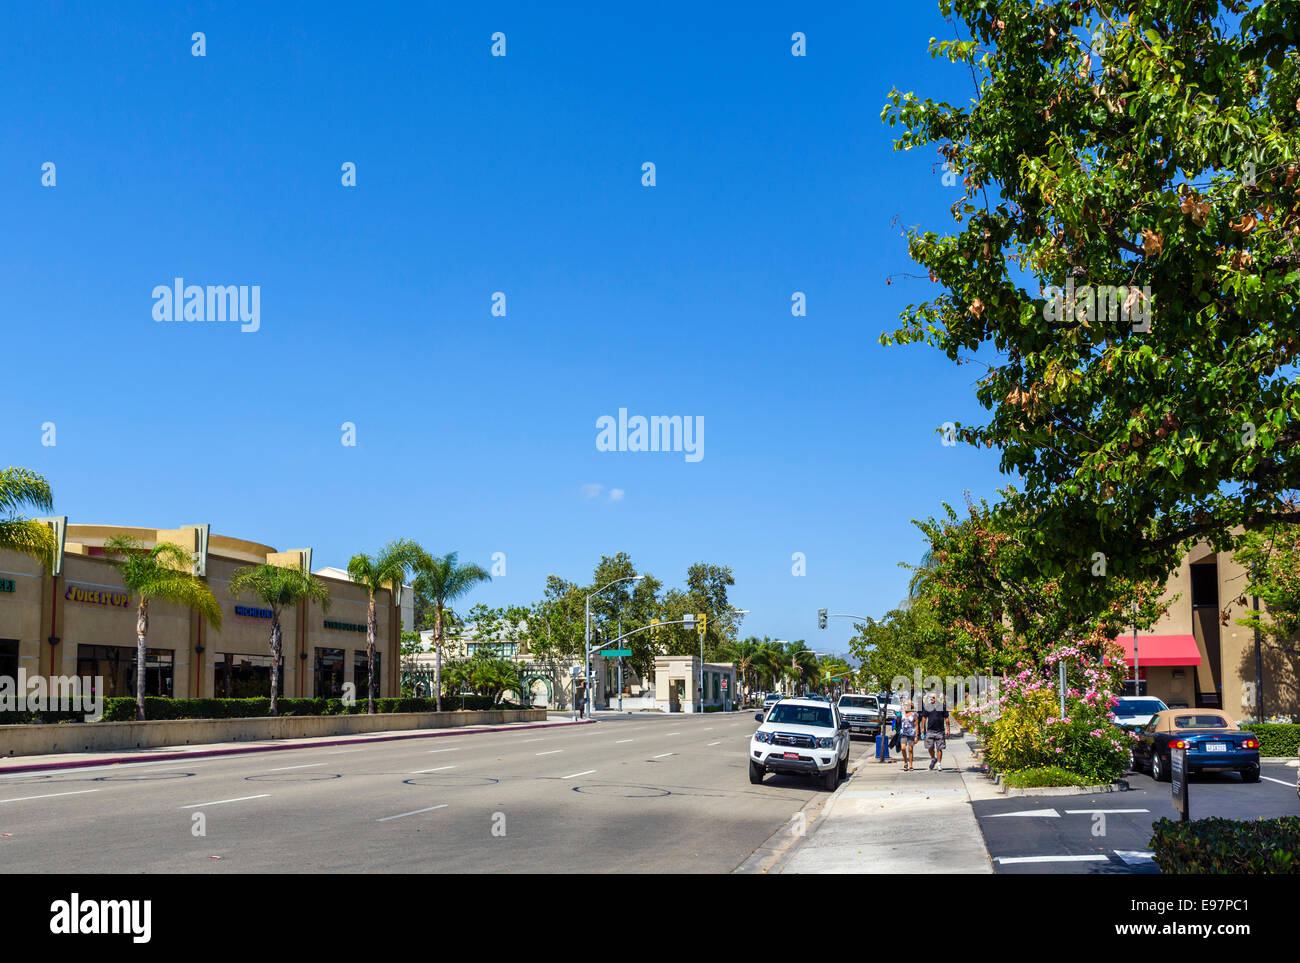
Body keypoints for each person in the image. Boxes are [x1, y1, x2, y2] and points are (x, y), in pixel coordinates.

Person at [920, 691, 950, 770]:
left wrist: (948, 729)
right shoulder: (928, 707)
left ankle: (939, 764)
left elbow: (946, 718)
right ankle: (933, 758)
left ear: (937, 699)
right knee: (930, 747)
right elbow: (924, 718)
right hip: (930, 730)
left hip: (940, 731)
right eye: (930, 697)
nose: (931, 699)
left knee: (939, 748)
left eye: (933, 697)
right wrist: (922, 728)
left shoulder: (942, 707)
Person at [898, 700, 918, 771]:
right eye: (904, 705)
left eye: (906, 705)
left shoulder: (914, 714)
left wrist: (916, 736)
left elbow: (916, 725)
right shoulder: (902, 713)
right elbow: (898, 721)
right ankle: (905, 762)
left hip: (911, 734)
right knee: (903, 748)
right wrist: (897, 718)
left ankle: (911, 765)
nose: (905, 706)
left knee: (910, 749)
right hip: (903, 733)